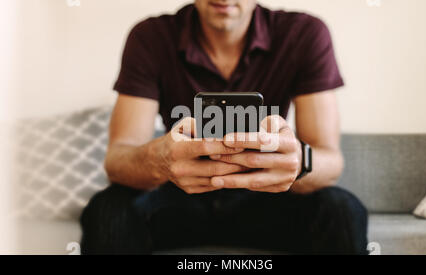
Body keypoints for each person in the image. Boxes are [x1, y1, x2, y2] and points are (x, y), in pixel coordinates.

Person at [80, 0, 368, 255]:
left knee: (341, 208)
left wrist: (296, 161)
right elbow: (117, 159)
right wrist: (160, 160)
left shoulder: (305, 33)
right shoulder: (150, 36)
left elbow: (330, 159)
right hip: (180, 199)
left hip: (268, 202)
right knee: (108, 209)